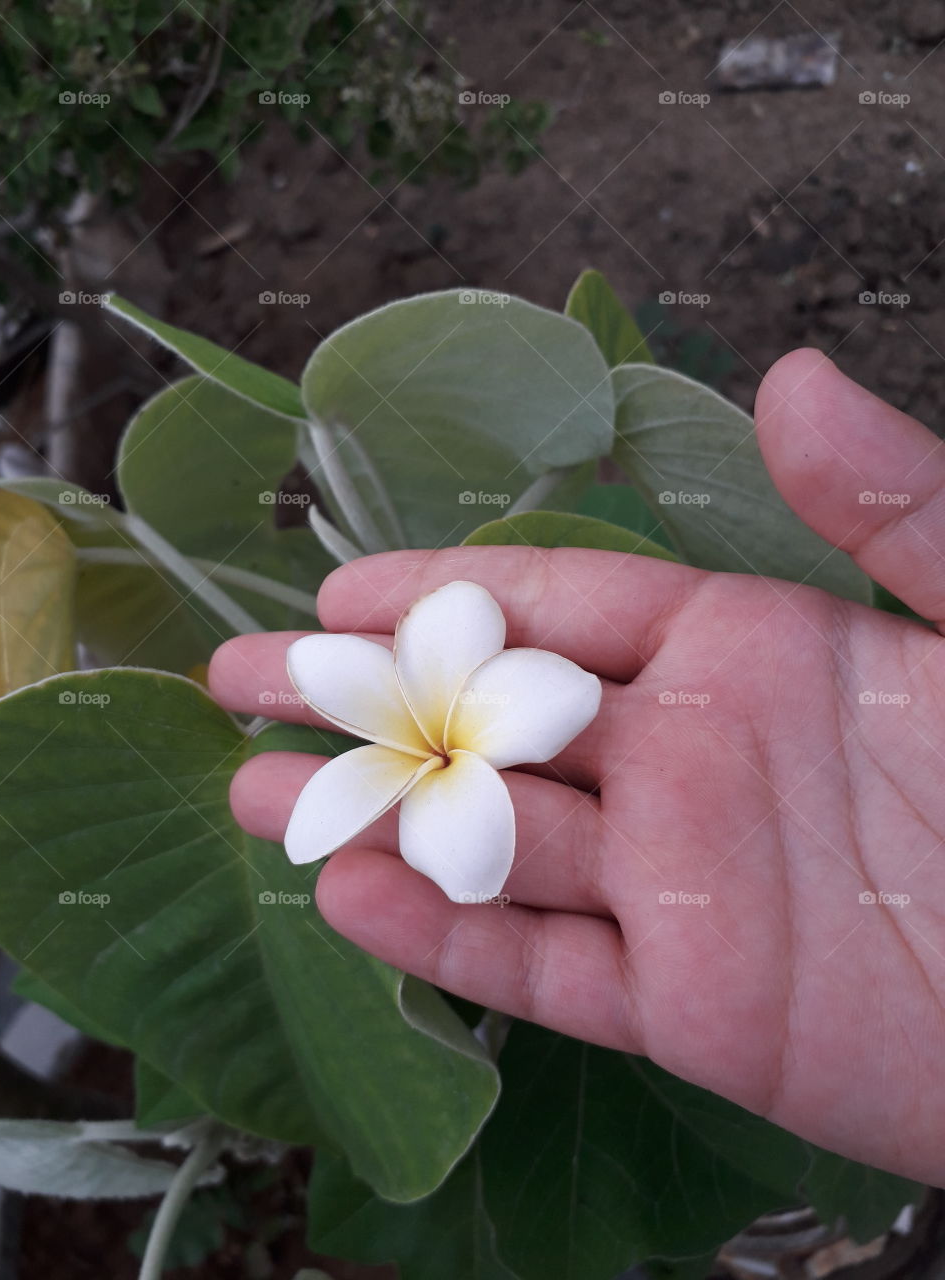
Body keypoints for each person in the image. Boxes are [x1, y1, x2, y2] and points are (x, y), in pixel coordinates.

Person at [208, 348, 945, 1187]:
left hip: (456, 742)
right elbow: (342, 717)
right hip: (431, 751)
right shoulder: (377, 723)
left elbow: (544, 692)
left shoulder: (483, 684)